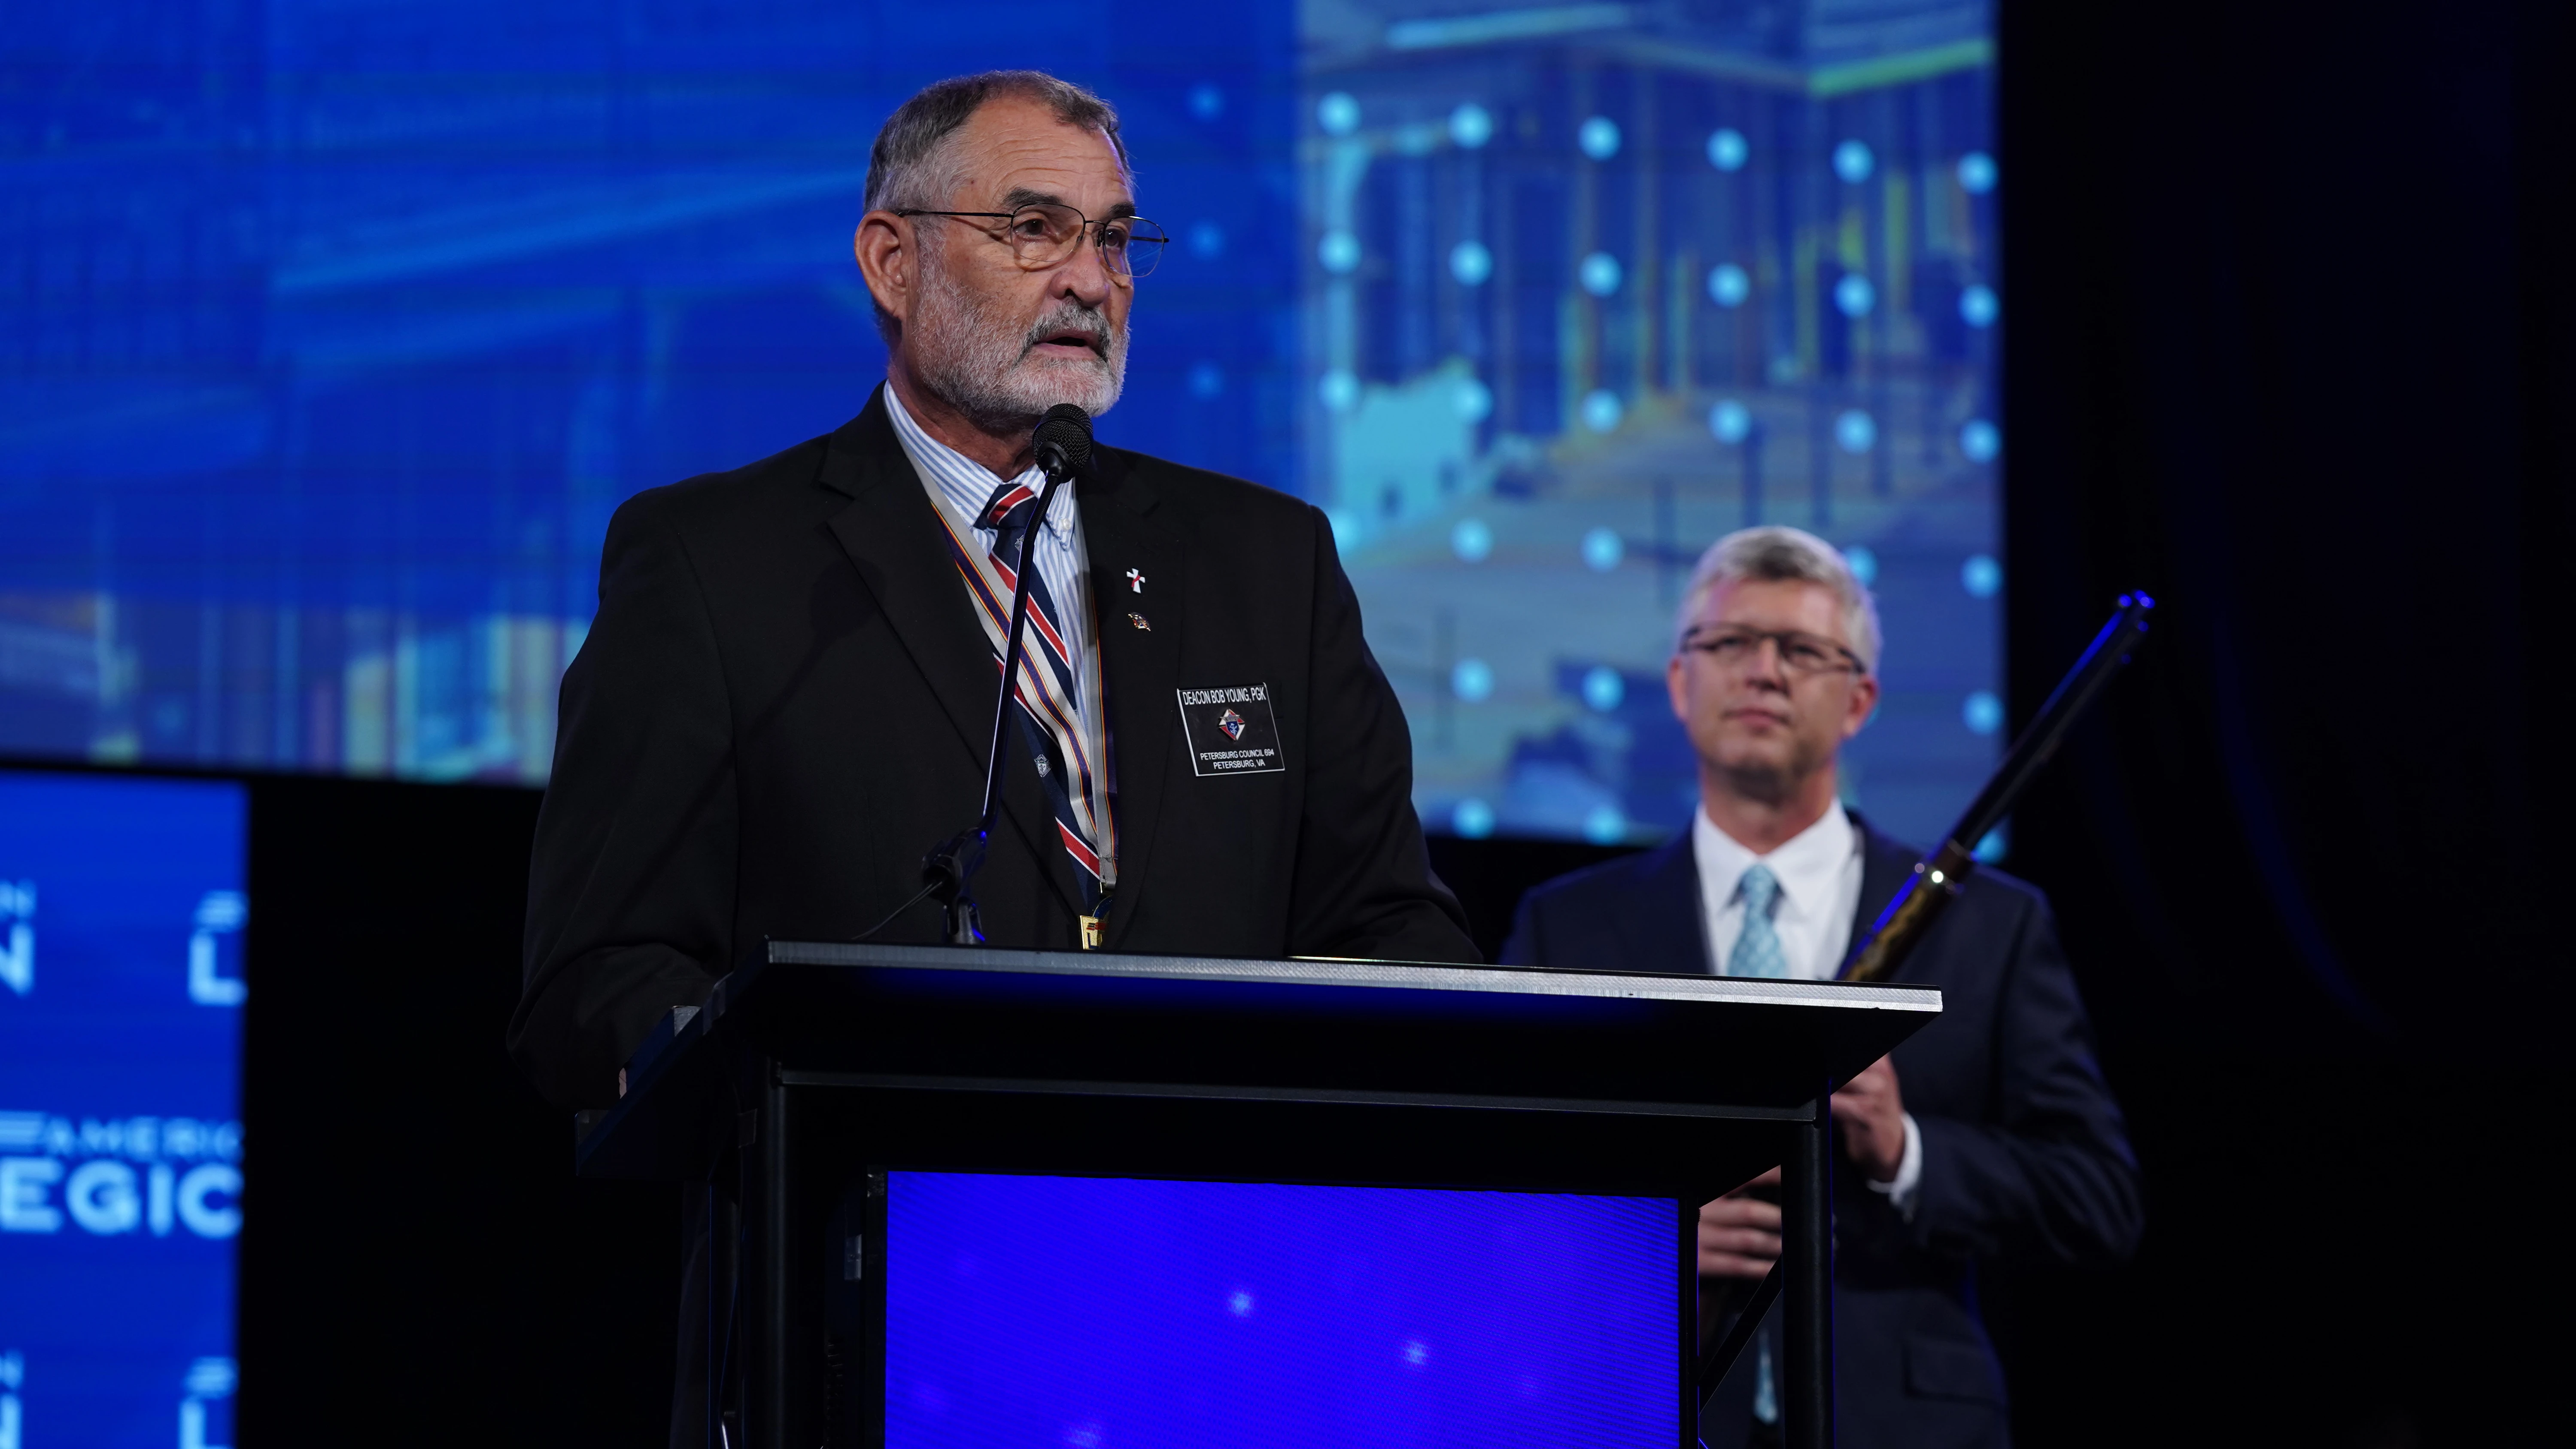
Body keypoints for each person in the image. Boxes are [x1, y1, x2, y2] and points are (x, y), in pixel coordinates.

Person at [509, 70, 1475, 1441]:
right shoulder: (720, 564)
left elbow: (1389, 928)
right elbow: (597, 976)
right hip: (864, 1331)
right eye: (1033, 227)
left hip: (1233, 1326)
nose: (1091, 278)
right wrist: (801, 1086)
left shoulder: (1270, 565)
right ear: (892, 260)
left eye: (1116, 238)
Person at [1501, 527, 2141, 1449]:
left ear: (1861, 700)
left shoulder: (1992, 925)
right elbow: (1505, 1183)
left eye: (1801, 649)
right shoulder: (1565, 924)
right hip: (1637, 1402)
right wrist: (1651, 1236)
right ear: (1681, 683)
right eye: (1730, 644)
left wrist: (1906, 1148)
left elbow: (2099, 1196)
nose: (1763, 671)